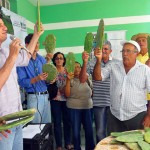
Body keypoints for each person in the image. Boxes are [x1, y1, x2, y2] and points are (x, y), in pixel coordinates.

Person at [0, 13, 44, 150]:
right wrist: (13, 56)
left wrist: (36, 35)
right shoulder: (10, 54)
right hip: (3, 126)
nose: (5, 28)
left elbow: (25, 58)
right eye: (0, 25)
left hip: (17, 119)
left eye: (3, 24)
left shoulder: (5, 51)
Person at [91, 40, 150, 135]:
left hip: (137, 116)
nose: (125, 54)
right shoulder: (113, 66)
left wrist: (149, 115)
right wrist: (98, 60)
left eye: (128, 51)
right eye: (123, 51)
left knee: (134, 146)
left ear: (136, 53)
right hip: (115, 116)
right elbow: (98, 77)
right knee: (114, 145)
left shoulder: (145, 70)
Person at [17, 33, 51, 123]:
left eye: (38, 42)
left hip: (46, 96)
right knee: (35, 129)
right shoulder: (21, 61)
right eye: (35, 42)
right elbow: (21, 82)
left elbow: (46, 79)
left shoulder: (42, 59)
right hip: (33, 97)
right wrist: (37, 79)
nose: (37, 45)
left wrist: (50, 79)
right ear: (27, 45)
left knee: (46, 127)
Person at [86, 40, 113, 143]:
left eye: (106, 49)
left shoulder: (116, 63)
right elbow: (83, 78)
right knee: (99, 132)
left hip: (113, 103)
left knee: (112, 132)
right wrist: (85, 62)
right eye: (101, 48)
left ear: (110, 51)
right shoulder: (92, 62)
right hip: (99, 102)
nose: (103, 51)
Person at [65, 61, 95, 150]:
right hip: (74, 108)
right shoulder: (69, 79)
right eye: (74, 67)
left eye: (78, 67)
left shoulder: (87, 78)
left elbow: (92, 92)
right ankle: (77, 148)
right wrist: (67, 80)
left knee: (89, 131)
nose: (77, 69)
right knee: (75, 132)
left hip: (88, 107)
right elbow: (67, 94)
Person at [50, 52, 72, 150]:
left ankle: (68, 143)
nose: (59, 60)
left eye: (61, 58)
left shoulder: (67, 71)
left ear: (64, 60)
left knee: (67, 121)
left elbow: (70, 84)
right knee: (57, 122)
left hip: (66, 99)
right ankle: (59, 145)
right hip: (55, 100)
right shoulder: (52, 71)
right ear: (54, 60)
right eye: (57, 58)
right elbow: (49, 84)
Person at [131, 33, 150, 105]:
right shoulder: (134, 57)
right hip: (138, 95)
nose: (141, 42)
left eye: (143, 40)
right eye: (139, 41)